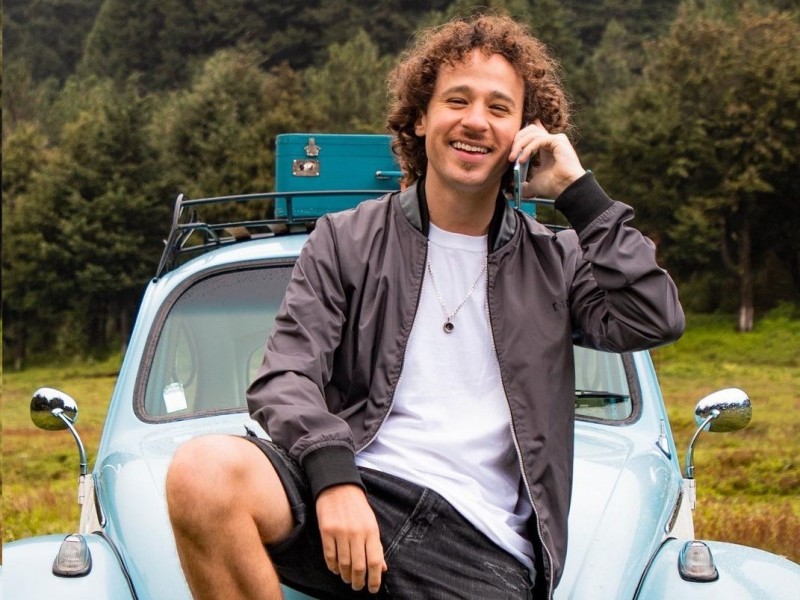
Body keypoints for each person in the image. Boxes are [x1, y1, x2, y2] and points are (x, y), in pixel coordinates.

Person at [166, 14, 684, 600]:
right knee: (203, 474)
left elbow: (653, 317)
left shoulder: (557, 259)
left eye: (498, 108)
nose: (475, 121)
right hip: (353, 490)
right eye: (456, 100)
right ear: (420, 118)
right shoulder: (346, 239)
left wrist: (579, 194)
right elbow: (286, 375)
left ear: (524, 133)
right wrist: (334, 479)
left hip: (480, 546)